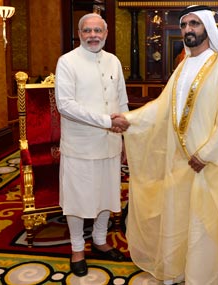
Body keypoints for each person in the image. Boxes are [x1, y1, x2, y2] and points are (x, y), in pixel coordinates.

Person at [121, 5, 218, 285]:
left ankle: (202, 277)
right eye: (184, 25)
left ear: (206, 27)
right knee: (178, 214)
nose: (188, 30)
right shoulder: (182, 66)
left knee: (203, 222)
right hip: (178, 157)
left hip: (205, 162)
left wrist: (206, 154)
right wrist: (128, 120)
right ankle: (175, 270)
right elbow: (161, 108)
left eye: (194, 24)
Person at [54, 13, 130, 277]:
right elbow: (65, 105)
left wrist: (124, 133)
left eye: (98, 30)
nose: (93, 35)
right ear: (80, 33)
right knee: (77, 200)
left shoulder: (114, 61)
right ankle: (76, 248)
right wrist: (106, 121)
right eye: (87, 30)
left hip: (110, 143)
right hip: (80, 146)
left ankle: (99, 240)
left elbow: (122, 100)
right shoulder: (67, 62)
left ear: (106, 33)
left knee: (106, 195)